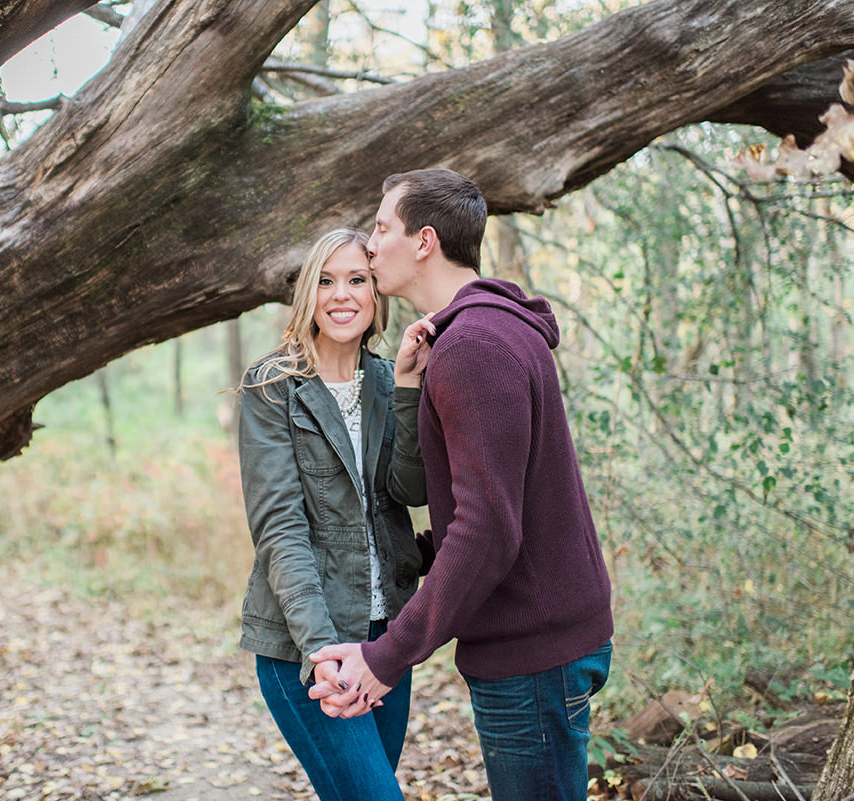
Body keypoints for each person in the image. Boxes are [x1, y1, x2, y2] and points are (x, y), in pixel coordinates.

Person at [308, 169, 614, 801]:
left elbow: (487, 530)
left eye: (383, 228)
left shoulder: (473, 345)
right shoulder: (481, 333)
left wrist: (386, 658)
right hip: (540, 641)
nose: (370, 245)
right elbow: (489, 505)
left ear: (424, 241)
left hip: (531, 653)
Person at [237, 227, 435, 801]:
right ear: (307, 295)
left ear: (377, 293)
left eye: (357, 279)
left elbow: (410, 490)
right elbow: (280, 530)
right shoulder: (273, 386)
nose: (341, 294)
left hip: (384, 641)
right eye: (325, 280)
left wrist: (405, 387)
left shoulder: (385, 379)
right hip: (305, 644)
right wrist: (321, 650)